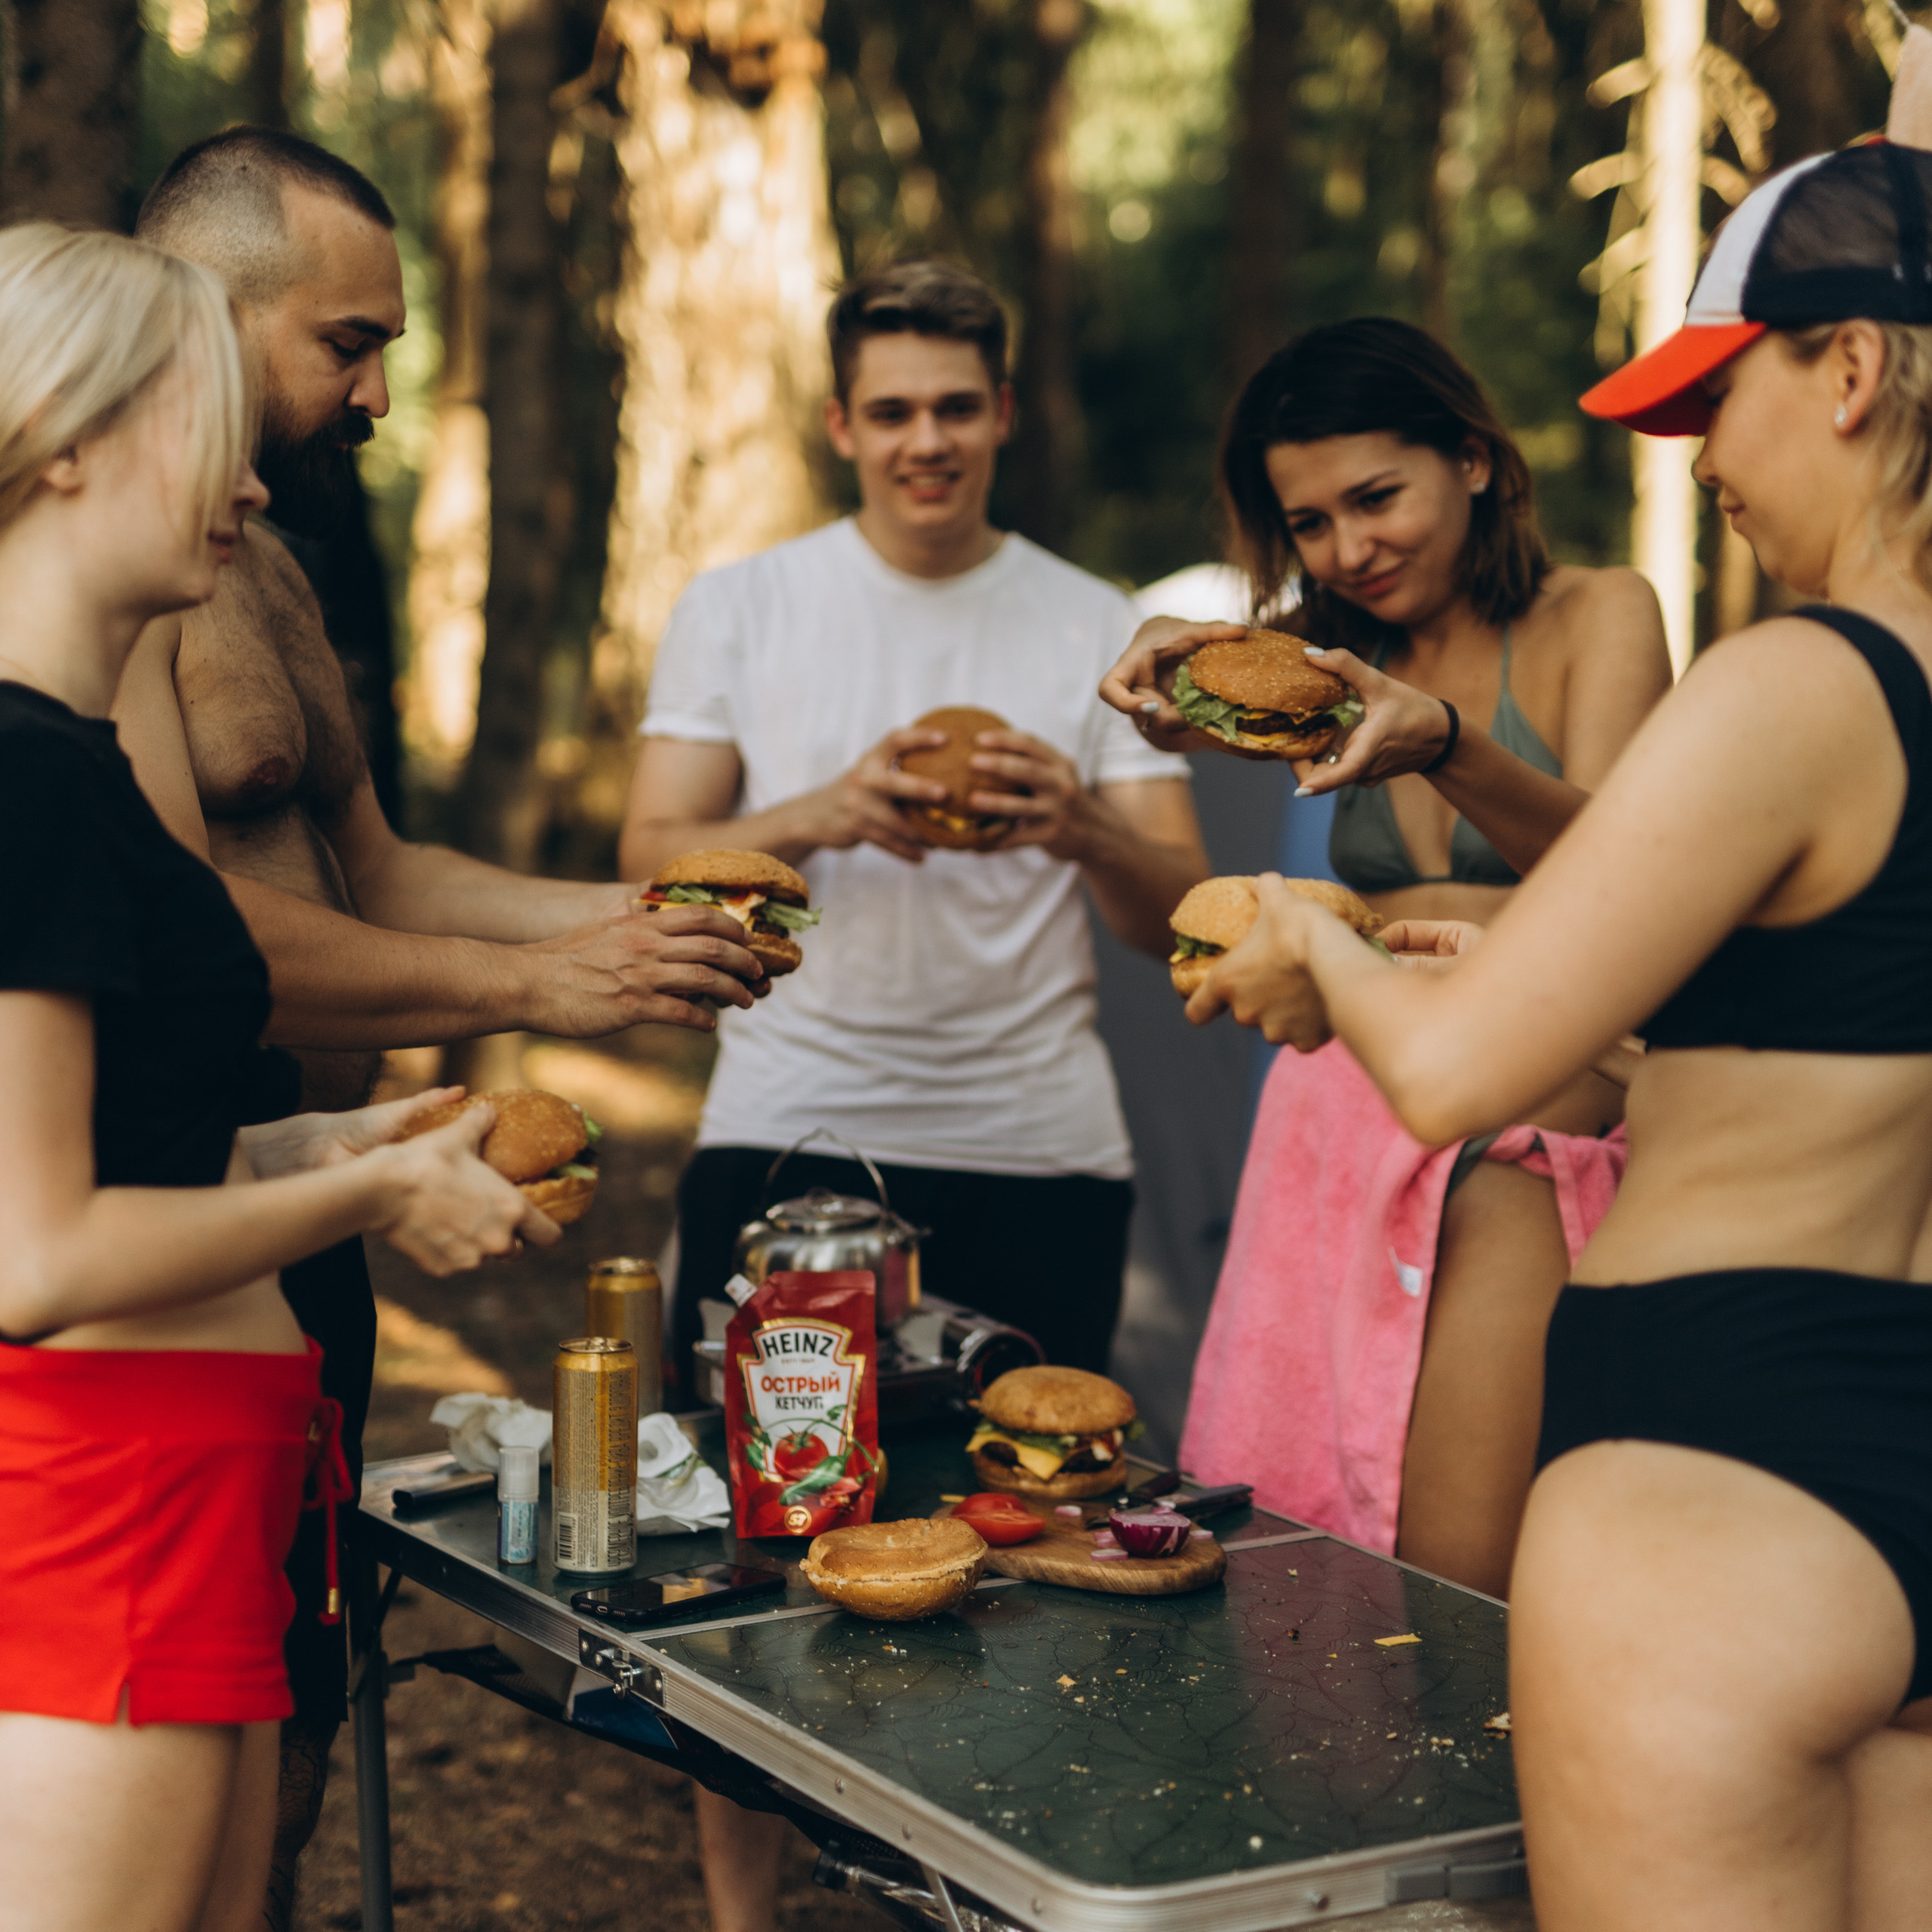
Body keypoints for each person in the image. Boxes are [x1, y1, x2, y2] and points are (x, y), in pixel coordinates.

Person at [1188, 139, 1932, 1927]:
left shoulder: (1798, 680)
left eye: (1717, 398)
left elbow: (1461, 1073)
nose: (1701, 460)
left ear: (1845, 368)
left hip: (1718, 1469)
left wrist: (1317, 948)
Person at [114, 125, 768, 1922]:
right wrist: (538, 989)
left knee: (297, 1689)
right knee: (169, 1719)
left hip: (309, 1209)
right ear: (205, 303)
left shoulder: (267, 562)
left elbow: (379, 869)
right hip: (173, 1203)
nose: (381, 394)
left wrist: (631, 926)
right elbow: (185, 932)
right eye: (348, 343)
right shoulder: (101, 573)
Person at [618, 256, 1208, 1932]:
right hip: (784, 1128)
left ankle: (967, 1883)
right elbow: (652, 853)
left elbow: (1178, 909)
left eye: (956, 407)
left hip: (1036, 1142)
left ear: (1005, 412)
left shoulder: (1091, 619)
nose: (925, 441)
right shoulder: (744, 601)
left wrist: (1076, 820)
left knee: (1019, 1532)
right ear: (840, 423)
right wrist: (825, 807)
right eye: (891, 411)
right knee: (752, 1537)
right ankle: (748, 1914)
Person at [0, 223, 555, 1932]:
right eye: (208, 426)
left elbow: (134, 1150)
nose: (250, 480)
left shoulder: (76, 763)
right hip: (111, 1514)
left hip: (207, 1492)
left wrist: (335, 1137)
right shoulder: (24, 778)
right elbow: (36, 1255)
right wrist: (376, 1189)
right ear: (66, 439)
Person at [1100, 318, 1670, 1596]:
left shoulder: (1601, 613)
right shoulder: (1329, 670)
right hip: (1335, 1134)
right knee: (1302, 1549)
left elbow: (1630, 881)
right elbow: (1189, 713)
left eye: (1376, 498)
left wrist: (1447, 742)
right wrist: (1178, 676)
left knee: (1455, 1583)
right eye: (1309, 523)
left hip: (1525, 1146)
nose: (1350, 548)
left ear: (1474, 459)